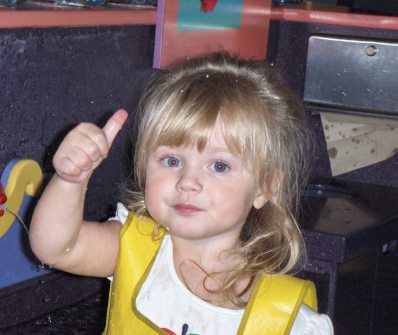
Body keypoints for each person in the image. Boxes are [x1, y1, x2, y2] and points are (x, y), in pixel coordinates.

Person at [29, 52, 334, 335]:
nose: (188, 181)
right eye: (171, 161)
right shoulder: (132, 249)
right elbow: (55, 248)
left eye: (218, 165)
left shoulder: (291, 320)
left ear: (265, 187)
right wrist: (70, 180)